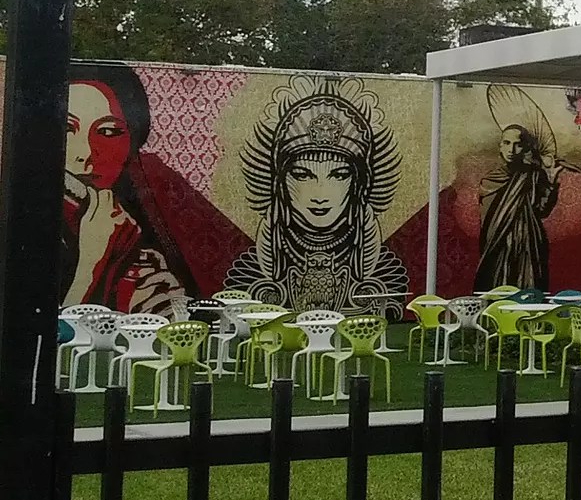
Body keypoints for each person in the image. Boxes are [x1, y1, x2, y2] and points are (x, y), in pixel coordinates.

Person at [225, 74, 408, 310]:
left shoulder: (385, 268)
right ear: (280, 182)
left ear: (358, 184)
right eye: (302, 175)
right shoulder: (249, 270)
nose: (320, 195)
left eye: (339, 175)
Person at [60, 61, 192, 313]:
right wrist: (93, 263)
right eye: (66, 128)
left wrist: (162, 311)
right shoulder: (20, 221)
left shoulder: (142, 212)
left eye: (108, 132)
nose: (85, 154)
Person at [475, 85, 572, 291]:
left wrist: (551, 182)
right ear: (500, 146)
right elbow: (488, 223)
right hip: (499, 246)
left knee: (528, 287)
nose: (511, 149)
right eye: (506, 143)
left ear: (525, 147)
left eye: (517, 144)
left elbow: (541, 210)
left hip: (528, 243)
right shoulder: (490, 180)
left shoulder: (533, 175)